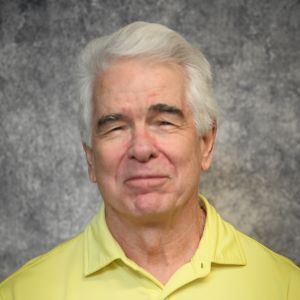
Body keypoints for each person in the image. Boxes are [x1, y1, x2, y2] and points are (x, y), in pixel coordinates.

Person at [0, 21, 299, 300]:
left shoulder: (285, 288)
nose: (141, 149)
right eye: (116, 127)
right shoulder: (22, 293)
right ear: (90, 157)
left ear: (205, 143)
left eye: (165, 122)